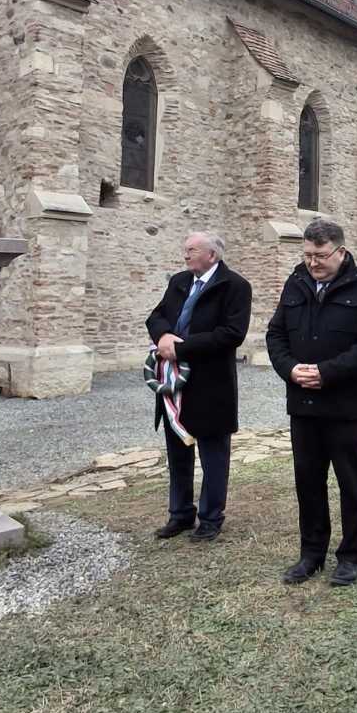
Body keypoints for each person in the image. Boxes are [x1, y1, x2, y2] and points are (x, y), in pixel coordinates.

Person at [265, 217, 357, 587]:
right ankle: (311, 554)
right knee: (308, 480)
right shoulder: (296, 281)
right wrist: (290, 369)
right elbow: (275, 334)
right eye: (307, 255)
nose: (312, 262)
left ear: (341, 251)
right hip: (303, 403)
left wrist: (327, 372)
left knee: (350, 482)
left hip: (345, 404)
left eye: (320, 256)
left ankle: (350, 556)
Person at [144, 232, 252, 542]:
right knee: (178, 453)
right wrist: (164, 336)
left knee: (213, 456)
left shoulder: (235, 286)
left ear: (212, 255)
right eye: (185, 249)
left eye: (191, 250)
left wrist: (181, 348)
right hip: (175, 386)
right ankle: (180, 514)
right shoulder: (180, 281)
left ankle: (210, 518)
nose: (185, 255)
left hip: (211, 385)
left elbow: (232, 333)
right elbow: (157, 316)